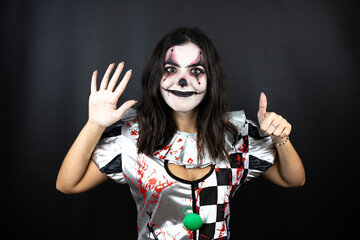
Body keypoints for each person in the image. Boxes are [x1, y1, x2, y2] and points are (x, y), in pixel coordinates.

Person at [56, 27, 305, 240]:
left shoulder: (237, 136)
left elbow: (294, 179)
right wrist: (94, 125)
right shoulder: (131, 139)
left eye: (196, 71)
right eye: (171, 69)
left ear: (211, 79)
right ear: (157, 78)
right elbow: (68, 184)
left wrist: (280, 138)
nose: (182, 81)